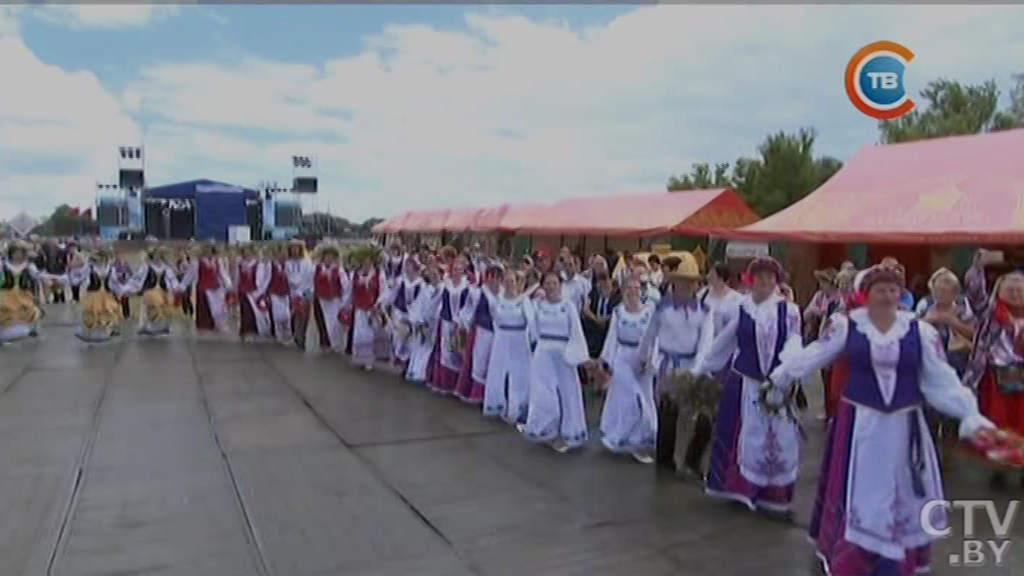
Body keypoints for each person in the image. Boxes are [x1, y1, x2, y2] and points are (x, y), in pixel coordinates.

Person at [768, 263, 994, 576]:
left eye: (893, 289)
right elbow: (814, 355)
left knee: (899, 490)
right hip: (859, 423)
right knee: (861, 489)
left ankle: (895, 557)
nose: (889, 295)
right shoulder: (847, 327)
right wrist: (781, 378)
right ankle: (856, 558)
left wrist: (968, 412)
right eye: (881, 290)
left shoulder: (920, 332)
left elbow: (940, 379)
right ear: (866, 294)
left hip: (904, 425)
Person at [691, 256, 802, 518]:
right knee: (745, 437)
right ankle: (742, 490)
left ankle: (773, 494)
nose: (764, 281)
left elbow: (795, 342)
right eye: (759, 276)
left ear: (776, 280)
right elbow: (724, 342)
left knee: (778, 439)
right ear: (750, 280)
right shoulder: (742, 309)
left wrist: (785, 371)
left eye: (770, 277)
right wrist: (700, 370)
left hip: (777, 385)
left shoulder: (789, 311)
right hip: (744, 383)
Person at [639, 252, 715, 478]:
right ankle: (664, 462)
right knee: (668, 415)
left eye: (691, 282)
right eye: (683, 282)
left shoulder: (704, 311)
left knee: (706, 417)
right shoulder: (662, 308)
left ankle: (693, 459)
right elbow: (649, 335)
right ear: (675, 283)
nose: (687, 286)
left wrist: (695, 370)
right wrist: (643, 358)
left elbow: (706, 342)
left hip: (694, 365)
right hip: (668, 364)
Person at [963, 248, 1024, 489]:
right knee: (997, 425)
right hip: (996, 378)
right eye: (1011, 287)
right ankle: (999, 470)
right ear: (999, 291)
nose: (1016, 291)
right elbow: (974, 291)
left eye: (1021, 288)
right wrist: (979, 263)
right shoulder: (990, 314)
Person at [521, 272, 591, 453]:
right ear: (543, 286)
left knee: (569, 393)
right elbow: (531, 327)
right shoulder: (538, 306)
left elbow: (576, 331)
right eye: (547, 283)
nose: (551, 287)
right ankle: (545, 430)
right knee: (544, 393)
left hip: (564, 352)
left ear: (560, 286)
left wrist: (577, 356)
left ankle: (571, 432)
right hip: (543, 352)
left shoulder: (568, 306)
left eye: (554, 283)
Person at [598, 276, 657, 463]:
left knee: (645, 398)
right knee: (630, 397)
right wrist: (607, 360)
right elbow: (612, 337)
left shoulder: (649, 312)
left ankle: (637, 439)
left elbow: (655, 339)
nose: (634, 291)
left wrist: (651, 359)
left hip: (642, 359)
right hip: (623, 357)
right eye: (630, 288)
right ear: (624, 291)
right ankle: (618, 435)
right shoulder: (618, 312)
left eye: (637, 288)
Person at [483, 269, 534, 425]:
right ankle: (498, 404)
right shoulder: (497, 300)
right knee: (498, 372)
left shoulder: (524, 301)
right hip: (502, 339)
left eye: (512, 281)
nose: (510, 284)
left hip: (519, 340)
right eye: (507, 282)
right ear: (502, 284)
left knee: (520, 375)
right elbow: (495, 318)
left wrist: (530, 341)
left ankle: (518, 407)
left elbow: (531, 322)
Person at [455, 265, 502, 404]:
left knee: (492, 364)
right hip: (481, 331)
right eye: (490, 276)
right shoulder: (477, 293)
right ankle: (476, 393)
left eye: (496, 277)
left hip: (497, 335)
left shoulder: (503, 294)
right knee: (479, 361)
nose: (493, 280)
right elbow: (468, 311)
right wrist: (463, 325)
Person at [427, 255, 473, 394]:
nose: (456, 272)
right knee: (446, 352)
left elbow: (470, 306)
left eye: (459, 269)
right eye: (454, 269)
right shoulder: (445, 284)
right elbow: (435, 298)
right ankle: (444, 383)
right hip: (446, 322)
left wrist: (462, 320)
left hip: (461, 325)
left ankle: (457, 385)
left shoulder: (468, 286)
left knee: (459, 353)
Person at [68, 247, 125, 343]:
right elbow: (80, 277)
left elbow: (114, 283)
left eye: (102, 258)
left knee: (107, 313)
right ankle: (91, 334)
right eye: (98, 258)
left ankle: (105, 333)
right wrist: (73, 279)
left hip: (107, 295)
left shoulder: (111, 269)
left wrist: (119, 292)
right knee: (92, 314)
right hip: (93, 295)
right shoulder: (90, 268)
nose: (100, 260)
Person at [348, 252, 386, 370]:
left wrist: (378, 304)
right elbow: (350, 291)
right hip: (359, 309)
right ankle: (361, 359)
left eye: (369, 262)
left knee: (371, 334)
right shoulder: (355, 275)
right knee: (360, 334)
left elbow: (384, 291)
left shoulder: (378, 275)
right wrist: (347, 305)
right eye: (364, 262)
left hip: (373, 309)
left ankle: (370, 359)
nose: (366, 264)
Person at [310, 243, 350, 352]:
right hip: (322, 299)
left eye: (331, 257)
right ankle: (332, 344)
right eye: (327, 256)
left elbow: (346, 286)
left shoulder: (339, 270)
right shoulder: (317, 268)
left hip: (335, 299)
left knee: (335, 323)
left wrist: (345, 302)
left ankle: (337, 344)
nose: (329, 259)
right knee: (328, 322)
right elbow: (311, 282)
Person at [129, 247, 177, 336]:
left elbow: (171, 279)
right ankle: (149, 327)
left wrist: (174, 288)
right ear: (153, 256)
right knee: (151, 307)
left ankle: (162, 327)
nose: (158, 257)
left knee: (165, 308)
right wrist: (133, 288)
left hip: (163, 291)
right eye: (156, 255)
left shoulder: (166, 267)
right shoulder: (146, 266)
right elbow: (138, 278)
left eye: (160, 255)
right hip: (150, 291)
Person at [187, 243, 234, 334]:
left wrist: (228, 284)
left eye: (210, 249)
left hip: (216, 287)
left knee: (219, 307)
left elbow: (222, 272)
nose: (208, 251)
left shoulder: (217, 260)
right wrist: (182, 286)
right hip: (203, 287)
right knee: (204, 308)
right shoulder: (197, 261)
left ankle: (219, 324)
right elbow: (190, 275)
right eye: (206, 249)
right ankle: (204, 326)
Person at [0, 240, 41, 342]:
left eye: (21, 252)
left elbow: (35, 283)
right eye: (15, 252)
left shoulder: (30, 267)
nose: (18, 255)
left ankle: (30, 330)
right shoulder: (3, 265)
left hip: (24, 295)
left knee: (28, 312)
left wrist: (37, 296)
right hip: (6, 294)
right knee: (5, 315)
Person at [406, 264, 440, 384]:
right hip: (422, 322)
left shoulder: (441, 290)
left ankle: (422, 373)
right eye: (432, 275)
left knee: (428, 348)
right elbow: (418, 305)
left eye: (436, 275)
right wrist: (418, 320)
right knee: (418, 346)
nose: (434, 277)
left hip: (434, 323)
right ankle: (414, 371)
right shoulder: (425, 289)